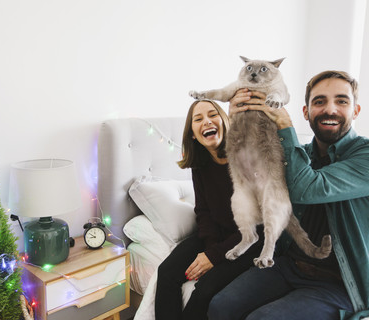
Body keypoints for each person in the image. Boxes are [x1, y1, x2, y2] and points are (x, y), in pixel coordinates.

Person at [208, 70, 369, 320]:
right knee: (220, 306)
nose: (330, 109)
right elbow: (250, 173)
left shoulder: (365, 156)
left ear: (356, 111)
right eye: (319, 101)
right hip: (289, 265)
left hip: (338, 283)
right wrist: (238, 119)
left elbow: (309, 187)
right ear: (306, 112)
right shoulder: (300, 153)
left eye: (341, 101)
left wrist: (284, 125)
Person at [154, 99, 264, 320]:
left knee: (205, 290)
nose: (206, 121)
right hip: (219, 236)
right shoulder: (200, 164)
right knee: (166, 273)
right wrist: (210, 248)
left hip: (251, 243)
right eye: (198, 119)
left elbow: (258, 228)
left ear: (224, 121)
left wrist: (214, 256)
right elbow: (203, 211)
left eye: (212, 115)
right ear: (194, 134)